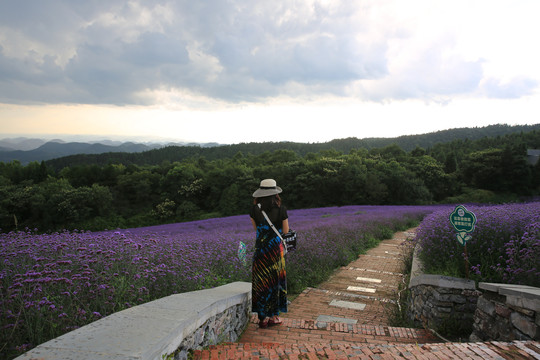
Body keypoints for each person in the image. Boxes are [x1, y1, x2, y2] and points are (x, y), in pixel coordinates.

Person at [250, 179, 289, 328]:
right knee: (275, 282)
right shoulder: (281, 209)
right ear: (275, 194)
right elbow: (285, 231)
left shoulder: (254, 210)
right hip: (275, 252)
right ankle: (274, 317)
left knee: (261, 282)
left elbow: (257, 230)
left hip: (261, 250)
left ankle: (262, 319)